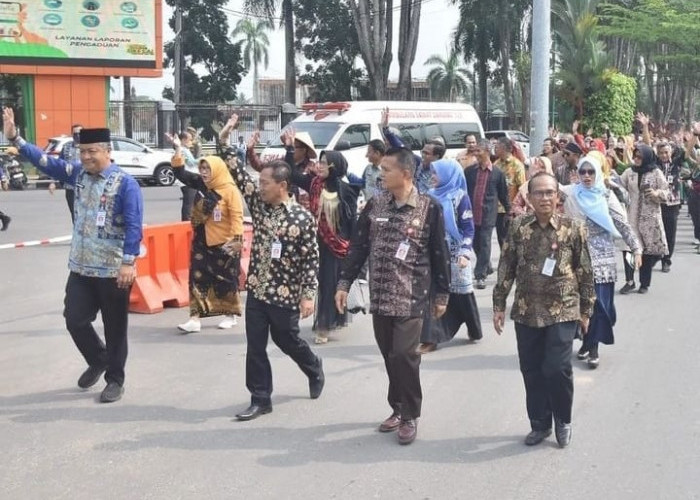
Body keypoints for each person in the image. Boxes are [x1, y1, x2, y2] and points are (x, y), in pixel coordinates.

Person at [3, 106, 143, 403]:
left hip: (113, 270)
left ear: (106, 151)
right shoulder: (77, 175)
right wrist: (16, 137)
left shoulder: (126, 184)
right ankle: (99, 357)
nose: (86, 157)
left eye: (92, 151)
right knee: (74, 319)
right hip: (80, 267)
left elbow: (134, 225)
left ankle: (115, 379)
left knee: (115, 327)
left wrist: (129, 262)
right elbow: (44, 162)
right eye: (82, 152)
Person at [335, 147, 451, 446]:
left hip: (412, 295)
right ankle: (397, 408)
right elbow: (358, 247)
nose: (381, 174)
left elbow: (440, 253)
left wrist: (442, 294)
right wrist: (344, 282)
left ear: (406, 174)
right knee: (390, 355)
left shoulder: (429, 207)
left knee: (404, 354)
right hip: (380, 294)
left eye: (387, 170)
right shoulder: (375, 205)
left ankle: (410, 414)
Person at [493, 172, 595, 448]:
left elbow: (585, 270)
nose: (545, 198)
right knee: (532, 369)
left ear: (558, 196)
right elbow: (506, 267)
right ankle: (539, 423)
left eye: (550, 192)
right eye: (539, 192)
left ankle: (563, 419)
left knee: (557, 367)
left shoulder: (573, 228)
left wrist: (586, 309)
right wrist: (499, 304)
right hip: (527, 310)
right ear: (529, 196)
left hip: (563, 309)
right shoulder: (518, 228)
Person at [229, 150, 324, 422]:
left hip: (285, 294)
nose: (259, 188)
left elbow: (310, 258)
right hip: (258, 290)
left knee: (287, 340)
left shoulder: (302, 218)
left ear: (282, 186)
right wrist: (224, 139)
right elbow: (238, 175)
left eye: (264, 183)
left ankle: (313, 366)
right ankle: (260, 398)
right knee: (255, 346)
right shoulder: (259, 206)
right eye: (259, 183)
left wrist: (308, 296)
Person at [561, 156, 642, 368]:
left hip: (602, 259)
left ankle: (594, 347)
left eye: (591, 172)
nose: (587, 176)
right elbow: (542, 193)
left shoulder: (606, 197)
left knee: (599, 305)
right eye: (583, 172)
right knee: (579, 304)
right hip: (575, 258)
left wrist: (636, 249)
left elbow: (623, 225)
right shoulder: (571, 193)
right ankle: (586, 342)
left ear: (598, 173)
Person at [283, 129, 360, 344]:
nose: (320, 166)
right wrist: (289, 148)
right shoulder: (314, 184)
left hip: (338, 246)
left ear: (334, 166)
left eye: (325, 163)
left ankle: (325, 325)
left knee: (331, 283)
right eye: (321, 162)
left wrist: (354, 249)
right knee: (319, 283)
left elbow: (351, 222)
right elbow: (291, 173)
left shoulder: (346, 191)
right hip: (318, 243)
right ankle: (325, 320)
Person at [170, 134, 245, 333]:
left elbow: (237, 217)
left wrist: (236, 240)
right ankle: (195, 318)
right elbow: (180, 173)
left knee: (226, 280)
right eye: (202, 169)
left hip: (224, 243)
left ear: (217, 170)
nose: (203, 173)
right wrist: (178, 149)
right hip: (201, 240)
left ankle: (230, 314)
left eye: (207, 169)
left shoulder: (229, 190)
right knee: (197, 277)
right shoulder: (203, 185)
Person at [417, 159, 481, 354]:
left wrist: (464, 253)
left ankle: (474, 327)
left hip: (455, 253)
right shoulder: (427, 197)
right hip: (434, 253)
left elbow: (468, 230)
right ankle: (431, 338)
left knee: (462, 294)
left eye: (436, 173)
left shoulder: (460, 197)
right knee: (433, 293)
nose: (432, 177)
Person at [618, 145, 670, 294]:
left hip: (650, 217)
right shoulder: (629, 172)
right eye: (635, 156)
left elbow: (667, 192)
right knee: (628, 248)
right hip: (631, 215)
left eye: (640, 157)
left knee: (647, 251)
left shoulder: (656, 172)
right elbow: (621, 187)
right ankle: (629, 281)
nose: (636, 159)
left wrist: (656, 193)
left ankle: (644, 283)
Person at [464, 138, 510, 289]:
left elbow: (503, 194)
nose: (475, 153)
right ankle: (487, 265)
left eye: (479, 150)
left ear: (487, 152)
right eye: (475, 150)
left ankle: (480, 275)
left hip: (488, 214)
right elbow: (464, 192)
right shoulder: (470, 171)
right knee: (475, 243)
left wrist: (510, 210)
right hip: (471, 213)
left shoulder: (497, 173)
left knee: (484, 242)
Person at [494, 137, 526, 248]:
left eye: (497, 147)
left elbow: (522, 187)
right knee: (501, 238)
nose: (495, 149)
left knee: (513, 239)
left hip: (511, 209)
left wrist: (516, 208)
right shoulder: (496, 165)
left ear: (505, 148)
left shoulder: (517, 165)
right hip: (498, 208)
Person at [656, 142, 682, 273]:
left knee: (670, 233)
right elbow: (648, 143)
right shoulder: (655, 164)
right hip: (657, 203)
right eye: (661, 153)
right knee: (657, 232)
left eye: (666, 152)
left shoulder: (676, 163)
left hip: (672, 203)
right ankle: (655, 256)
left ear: (670, 152)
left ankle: (666, 260)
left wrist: (695, 134)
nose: (664, 155)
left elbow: (688, 152)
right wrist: (644, 126)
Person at [167, 131, 198, 221]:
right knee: (189, 203)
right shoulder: (183, 150)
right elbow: (191, 163)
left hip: (189, 179)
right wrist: (204, 160)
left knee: (193, 203)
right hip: (188, 180)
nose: (191, 142)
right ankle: (186, 222)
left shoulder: (184, 149)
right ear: (184, 140)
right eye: (190, 140)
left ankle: (190, 221)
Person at [60, 123, 83, 223]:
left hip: (86, 188)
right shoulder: (66, 147)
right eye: (75, 134)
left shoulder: (88, 147)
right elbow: (60, 164)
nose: (77, 136)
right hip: (71, 188)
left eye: (79, 133)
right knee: (74, 215)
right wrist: (55, 181)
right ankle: (77, 236)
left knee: (85, 214)